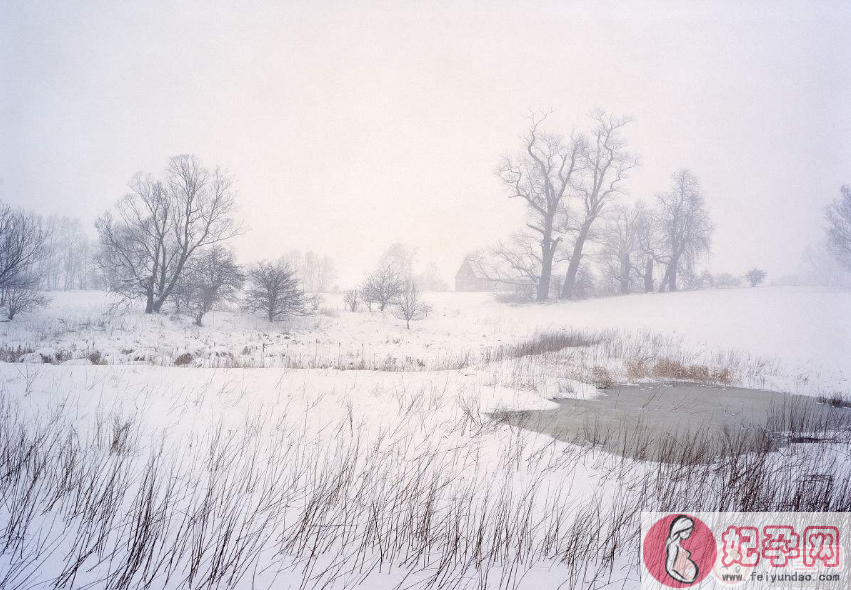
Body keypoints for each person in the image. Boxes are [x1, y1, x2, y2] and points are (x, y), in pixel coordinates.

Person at [665, 515, 699, 583]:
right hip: (683, 579)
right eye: (686, 532)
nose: (688, 535)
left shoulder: (677, 545)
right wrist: (685, 580)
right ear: (679, 530)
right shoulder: (673, 546)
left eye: (689, 533)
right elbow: (669, 568)